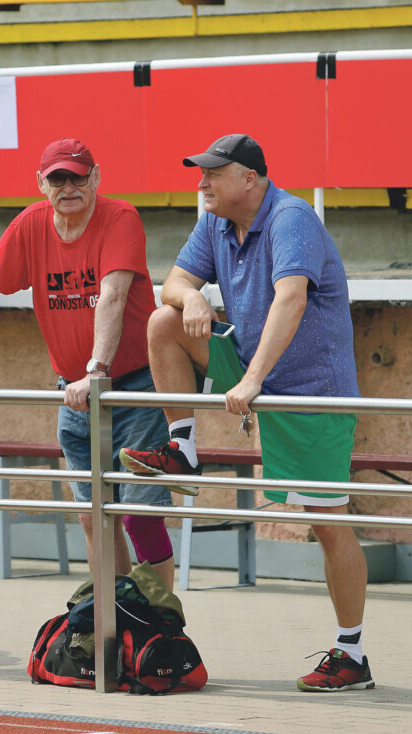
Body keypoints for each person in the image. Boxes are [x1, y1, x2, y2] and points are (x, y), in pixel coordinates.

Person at [119, 134, 371, 692]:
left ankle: (351, 654)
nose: (202, 182)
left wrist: (254, 380)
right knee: (163, 322)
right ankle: (181, 449)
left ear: (250, 179)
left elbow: (292, 298)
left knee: (329, 526)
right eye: (199, 172)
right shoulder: (214, 220)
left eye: (214, 173)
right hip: (254, 368)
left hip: (310, 390)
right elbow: (174, 283)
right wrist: (193, 299)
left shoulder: (291, 217)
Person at [0, 138, 176, 588]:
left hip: (133, 385)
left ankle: (162, 622)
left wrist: (95, 370)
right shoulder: (31, 224)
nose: (68, 186)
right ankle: (111, 621)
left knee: (139, 512)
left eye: (77, 176)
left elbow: (112, 295)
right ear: (41, 184)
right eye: (58, 179)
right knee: (95, 514)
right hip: (72, 394)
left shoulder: (120, 216)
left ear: (96, 177)